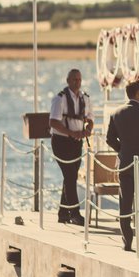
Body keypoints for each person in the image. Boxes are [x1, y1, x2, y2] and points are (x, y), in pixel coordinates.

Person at [106, 80, 139, 253]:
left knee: (125, 202)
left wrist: (122, 150)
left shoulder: (116, 113)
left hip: (125, 162)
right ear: (137, 93)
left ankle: (127, 241)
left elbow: (109, 138)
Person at [48, 68, 93, 225]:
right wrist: (70, 133)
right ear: (68, 81)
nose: (77, 83)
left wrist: (87, 130)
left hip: (77, 142)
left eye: (79, 80)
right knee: (69, 175)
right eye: (74, 80)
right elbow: (53, 122)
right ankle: (74, 213)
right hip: (61, 142)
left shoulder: (85, 98)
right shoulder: (59, 99)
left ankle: (63, 213)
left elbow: (89, 119)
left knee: (71, 176)